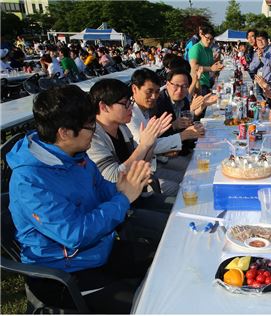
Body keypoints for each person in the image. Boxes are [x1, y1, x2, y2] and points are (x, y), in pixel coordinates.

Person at [7, 85, 156, 313]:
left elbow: (99, 188)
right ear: (64, 132)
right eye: (90, 127)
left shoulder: (73, 154)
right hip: (64, 273)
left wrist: (120, 186)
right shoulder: (29, 181)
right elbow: (75, 234)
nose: (95, 132)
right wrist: (124, 198)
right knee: (149, 306)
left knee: (163, 260)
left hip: (98, 252)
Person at [126, 69, 203, 196]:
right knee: (191, 181)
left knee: (196, 173)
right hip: (149, 170)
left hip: (162, 158)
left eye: (156, 92)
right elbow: (144, 144)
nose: (154, 96)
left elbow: (154, 140)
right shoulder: (131, 113)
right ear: (134, 89)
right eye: (149, 92)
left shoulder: (147, 108)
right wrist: (181, 136)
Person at [188, 25, 224, 95]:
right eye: (207, 38)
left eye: (211, 39)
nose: (209, 41)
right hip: (198, 85)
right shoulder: (196, 48)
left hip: (207, 83)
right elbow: (194, 66)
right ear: (201, 34)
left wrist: (217, 65)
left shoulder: (209, 50)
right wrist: (211, 68)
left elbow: (212, 66)